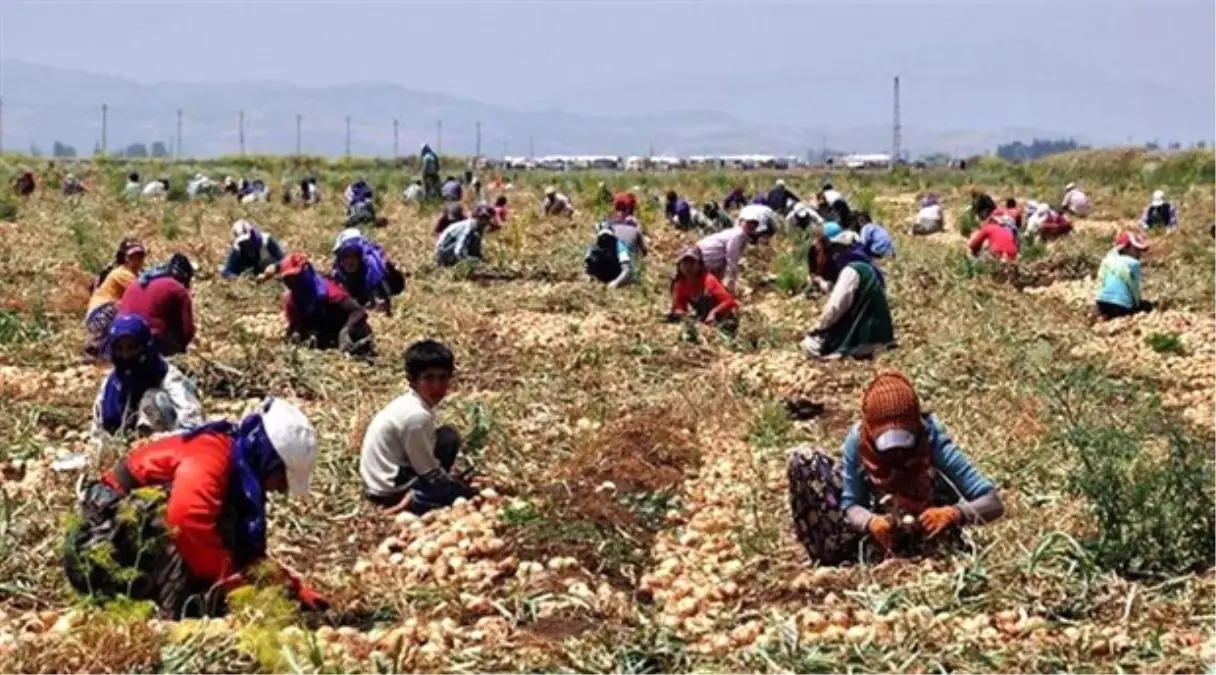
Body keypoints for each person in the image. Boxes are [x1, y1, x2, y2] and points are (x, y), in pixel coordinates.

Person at [63, 397, 327, 618]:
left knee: (224, 526)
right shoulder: (212, 455)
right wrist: (229, 582)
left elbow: (246, 553)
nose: (276, 488)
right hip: (98, 543)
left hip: (120, 538)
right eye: (280, 479)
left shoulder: (237, 468)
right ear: (269, 459)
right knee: (198, 522)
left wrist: (289, 586)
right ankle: (175, 613)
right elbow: (187, 519)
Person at [787, 371, 1005, 566]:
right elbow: (851, 504)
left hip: (927, 519)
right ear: (869, 429)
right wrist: (871, 522)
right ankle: (850, 553)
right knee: (804, 459)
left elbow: (992, 502)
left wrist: (955, 513)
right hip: (879, 522)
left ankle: (924, 545)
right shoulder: (858, 441)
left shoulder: (931, 439)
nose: (896, 453)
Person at [360, 341, 476, 514]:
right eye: (429, 378)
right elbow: (428, 471)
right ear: (412, 381)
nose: (437, 386)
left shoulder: (410, 404)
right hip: (389, 488)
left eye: (443, 377)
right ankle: (416, 499)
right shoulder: (416, 416)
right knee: (462, 495)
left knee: (447, 437)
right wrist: (457, 489)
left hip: (380, 479)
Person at [90, 314, 204, 444]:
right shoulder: (112, 384)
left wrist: (158, 440)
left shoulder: (167, 376)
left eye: (132, 347)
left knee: (153, 398)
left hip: (164, 445)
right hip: (124, 447)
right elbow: (97, 432)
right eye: (119, 349)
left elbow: (194, 424)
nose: (125, 355)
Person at [801, 223, 894, 359]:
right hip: (882, 334)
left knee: (809, 345)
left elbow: (834, 309)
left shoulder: (850, 270)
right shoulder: (863, 265)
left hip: (867, 338)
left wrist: (819, 329)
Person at [278, 252, 373, 356]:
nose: (293, 283)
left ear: (305, 272)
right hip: (323, 332)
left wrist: (345, 332)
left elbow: (358, 311)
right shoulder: (292, 301)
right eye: (288, 280)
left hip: (343, 325)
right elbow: (295, 323)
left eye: (296, 277)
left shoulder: (329, 290)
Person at [119, 254, 196, 357]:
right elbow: (187, 330)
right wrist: (182, 348)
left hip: (118, 337)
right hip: (146, 339)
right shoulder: (178, 289)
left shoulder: (141, 281)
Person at [85, 239, 148, 359]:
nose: (137, 259)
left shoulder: (132, 274)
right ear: (125, 258)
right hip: (102, 313)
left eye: (140, 255)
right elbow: (145, 293)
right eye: (133, 256)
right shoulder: (122, 273)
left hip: (100, 315)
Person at [331, 229, 406, 314]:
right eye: (345, 256)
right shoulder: (338, 275)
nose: (349, 261)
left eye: (354, 256)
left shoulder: (373, 273)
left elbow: (381, 308)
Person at [668, 246, 738, 330]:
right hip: (703, 318)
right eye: (685, 263)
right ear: (679, 265)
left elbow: (730, 302)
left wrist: (714, 312)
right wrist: (680, 312)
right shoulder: (680, 284)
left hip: (723, 317)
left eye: (692, 262)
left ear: (699, 264)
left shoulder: (708, 280)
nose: (688, 267)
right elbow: (680, 307)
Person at [695, 209, 762, 294]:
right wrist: (731, 281)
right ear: (741, 222)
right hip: (706, 256)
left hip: (704, 255)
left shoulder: (737, 233)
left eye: (754, 223)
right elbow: (731, 259)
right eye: (748, 222)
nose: (752, 225)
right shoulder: (738, 235)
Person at [1095, 231, 1152, 320]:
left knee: (1106, 311)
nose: (1139, 254)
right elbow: (1134, 287)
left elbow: (1101, 280)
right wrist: (1137, 304)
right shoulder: (1134, 264)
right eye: (1137, 250)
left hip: (1102, 301)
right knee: (1146, 305)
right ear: (1126, 247)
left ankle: (1102, 315)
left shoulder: (1107, 260)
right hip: (1122, 304)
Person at [221, 220, 286, 280]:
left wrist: (274, 267)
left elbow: (284, 261)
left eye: (247, 240)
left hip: (273, 274)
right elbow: (226, 271)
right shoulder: (237, 249)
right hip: (253, 278)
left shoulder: (266, 240)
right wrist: (239, 279)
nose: (246, 244)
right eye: (242, 243)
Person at [585, 222, 635, 288]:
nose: (605, 238)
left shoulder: (620, 247)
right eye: (603, 236)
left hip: (617, 277)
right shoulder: (593, 249)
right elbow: (587, 269)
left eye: (607, 236)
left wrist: (616, 283)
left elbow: (627, 270)